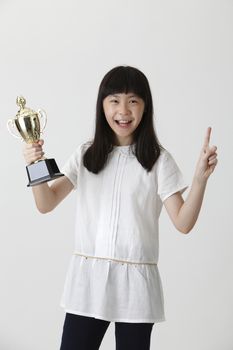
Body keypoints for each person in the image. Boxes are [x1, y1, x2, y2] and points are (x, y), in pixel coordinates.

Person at [23, 66, 218, 350]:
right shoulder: (86, 155)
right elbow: (46, 203)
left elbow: (183, 222)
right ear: (102, 105)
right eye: (114, 100)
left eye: (133, 101)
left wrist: (200, 178)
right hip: (87, 282)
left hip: (136, 286)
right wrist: (33, 163)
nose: (123, 110)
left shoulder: (158, 160)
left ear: (145, 107)